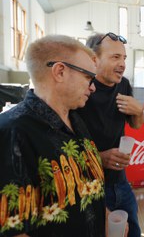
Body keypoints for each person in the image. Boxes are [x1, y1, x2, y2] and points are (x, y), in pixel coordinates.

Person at [0, 35, 106, 236]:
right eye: (88, 77)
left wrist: (105, 214)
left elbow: (86, 190)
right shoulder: (12, 133)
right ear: (60, 71)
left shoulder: (76, 120)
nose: (93, 87)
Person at [77, 32, 144, 237]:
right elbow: (63, 142)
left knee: (132, 231)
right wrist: (99, 157)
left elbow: (136, 125)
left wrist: (139, 111)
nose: (123, 64)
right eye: (115, 57)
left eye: (124, 58)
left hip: (120, 181)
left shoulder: (123, 84)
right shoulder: (80, 87)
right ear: (94, 59)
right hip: (87, 183)